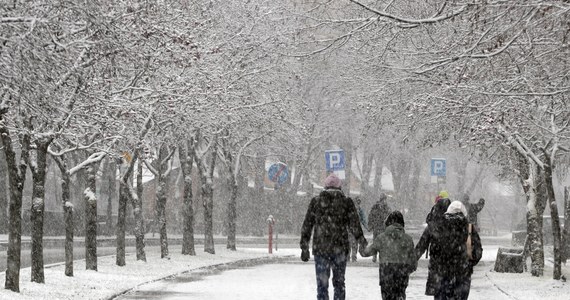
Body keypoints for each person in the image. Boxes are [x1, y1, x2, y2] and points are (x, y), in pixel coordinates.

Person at [300, 173, 367, 300]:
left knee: (322, 285)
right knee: (339, 284)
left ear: (325, 187)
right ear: (339, 187)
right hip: (340, 249)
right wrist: (361, 241)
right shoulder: (346, 202)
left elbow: (307, 225)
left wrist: (304, 247)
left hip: (321, 249)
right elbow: (355, 225)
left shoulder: (316, 202)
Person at [432, 201, 483, 300]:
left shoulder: (440, 227)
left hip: (442, 274)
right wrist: (469, 264)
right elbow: (478, 252)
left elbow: (434, 250)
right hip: (463, 275)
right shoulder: (469, 229)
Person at [361, 210, 417, 300]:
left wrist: (362, 245)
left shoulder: (381, 238)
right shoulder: (408, 239)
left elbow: (366, 253)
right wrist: (407, 270)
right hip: (402, 273)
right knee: (400, 295)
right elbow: (413, 262)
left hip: (386, 272)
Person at [415, 190, 452, 296]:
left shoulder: (432, 225)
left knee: (438, 293)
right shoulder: (456, 222)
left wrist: (412, 260)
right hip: (453, 266)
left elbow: (422, 244)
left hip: (436, 263)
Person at [368, 192, 391, 262]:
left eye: (384, 199)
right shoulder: (378, 207)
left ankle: (378, 256)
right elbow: (371, 216)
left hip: (381, 227)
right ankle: (376, 256)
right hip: (378, 227)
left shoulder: (385, 208)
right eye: (383, 199)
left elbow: (390, 217)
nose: (384, 201)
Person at [348, 196, 368, 262]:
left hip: (350, 228)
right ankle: (353, 257)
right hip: (355, 228)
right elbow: (363, 220)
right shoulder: (359, 210)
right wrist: (367, 227)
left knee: (350, 243)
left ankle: (348, 257)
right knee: (354, 243)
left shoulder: (349, 210)